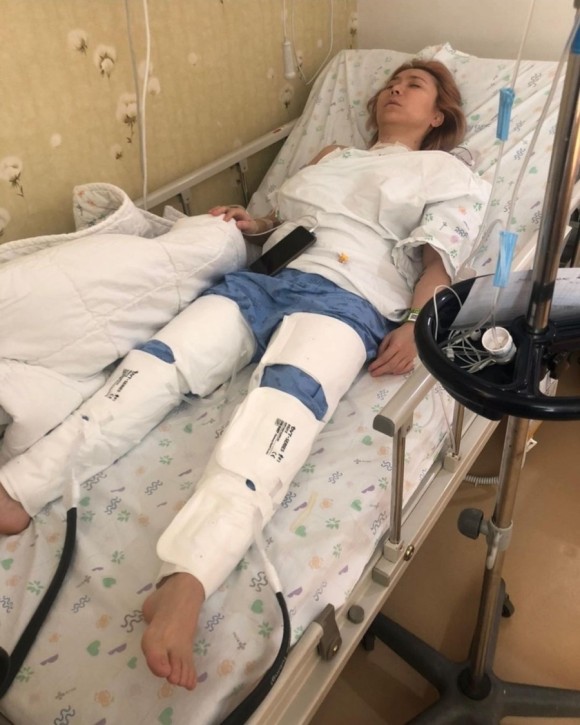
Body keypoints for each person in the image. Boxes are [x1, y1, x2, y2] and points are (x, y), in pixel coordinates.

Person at [0, 59, 490, 691]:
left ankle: (187, 579)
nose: (395, 88)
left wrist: (419, 324)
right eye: (391, 81)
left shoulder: (447, 172)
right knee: (155, 365)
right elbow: (293, 223)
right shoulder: (333, 156)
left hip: (349, 299)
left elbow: (436, 266)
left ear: (440, 113)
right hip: (266, 279)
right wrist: (254, 225)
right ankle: (22, 488)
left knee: (279, 414)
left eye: (414, 84)